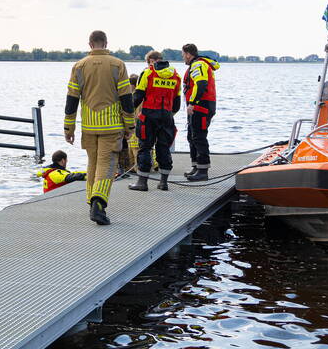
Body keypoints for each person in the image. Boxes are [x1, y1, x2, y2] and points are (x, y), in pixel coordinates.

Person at [64, 30, 135, 225]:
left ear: (90, 44)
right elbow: (126, 99)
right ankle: (98, 202)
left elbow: (71, 99)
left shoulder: (79, 66)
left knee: (93, 163)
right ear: (106, 43)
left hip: (88, 126)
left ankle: (92, 202)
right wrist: (130, 125)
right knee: (106, 164)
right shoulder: (118, 65)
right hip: (111, 126)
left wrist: (68, 128)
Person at [128, 50, 181, 191]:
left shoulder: (148, 73)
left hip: (148, 116)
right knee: (164, 148)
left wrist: (127, 111)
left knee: (145, 147)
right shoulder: (176, 76)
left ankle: (142, 182)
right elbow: (177, 104)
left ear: (151, 61)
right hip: (167, 117)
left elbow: (137, 97)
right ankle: (163, 182)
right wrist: (168, 114)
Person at [181, 43, 219, 181]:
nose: (183, 58)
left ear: (188, 54)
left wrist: (193, 103)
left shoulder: (198, 65)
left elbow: (201, 84)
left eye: (183, 55)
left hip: (201, 106)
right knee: (192, 136)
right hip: (199, 106)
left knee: (199, 137)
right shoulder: (197, 65)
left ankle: (203, 170)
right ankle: (196, 166)